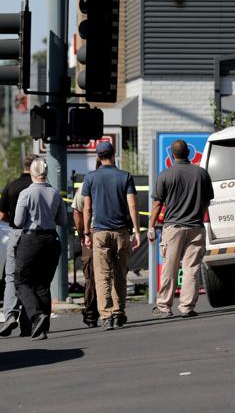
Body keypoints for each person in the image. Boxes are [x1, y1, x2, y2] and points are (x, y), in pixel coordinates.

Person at [148, 139, 213, 318]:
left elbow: (157, 204)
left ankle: (164, 307)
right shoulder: (202, 174)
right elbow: (207, 200)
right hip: (196, 227)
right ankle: (187, 307)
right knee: (191, 268)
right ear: (189, 154)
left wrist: (151, 227)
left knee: (170, 266)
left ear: (173, 155)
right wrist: (197, 214)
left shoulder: (166, 175)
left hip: (173, 227)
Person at [81, 141, 141, 331]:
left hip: (100, 232)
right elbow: (132, 205)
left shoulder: (90, 178)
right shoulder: (125, 176)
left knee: (102, 276)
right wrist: (138, 231)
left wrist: (86, 233)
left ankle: (106, 316)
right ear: (113, 154)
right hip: (121, 232)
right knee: (120, 274)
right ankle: (118, 312)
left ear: (98, 156)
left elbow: (87, 208)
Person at [12, 157, 66, 340]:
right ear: (46, 173)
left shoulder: (26, 194)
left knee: (21, 280)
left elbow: (18, 222)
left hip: (31, 239)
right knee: (43, 284)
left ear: (32, 173)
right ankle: (43, 327)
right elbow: (63, 221)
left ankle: (36, 316)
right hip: (51, 239)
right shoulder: (55, 193)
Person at [0, 153, 38, 338]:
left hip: (15, 233)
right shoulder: (39, 187)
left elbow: (2, 215)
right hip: (36, 235)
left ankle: (10, 316)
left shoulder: (11, 187)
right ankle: (27, 323)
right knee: (31, 279)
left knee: (11, 276)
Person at [71, 160, 101, 327]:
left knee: (91, 276)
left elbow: (77, 212)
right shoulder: (118, 179)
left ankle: (90, 314)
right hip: (113, 231)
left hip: (92, 233)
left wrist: (83, 233)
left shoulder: (86, 183)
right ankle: (112, 312)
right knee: (111, 273)